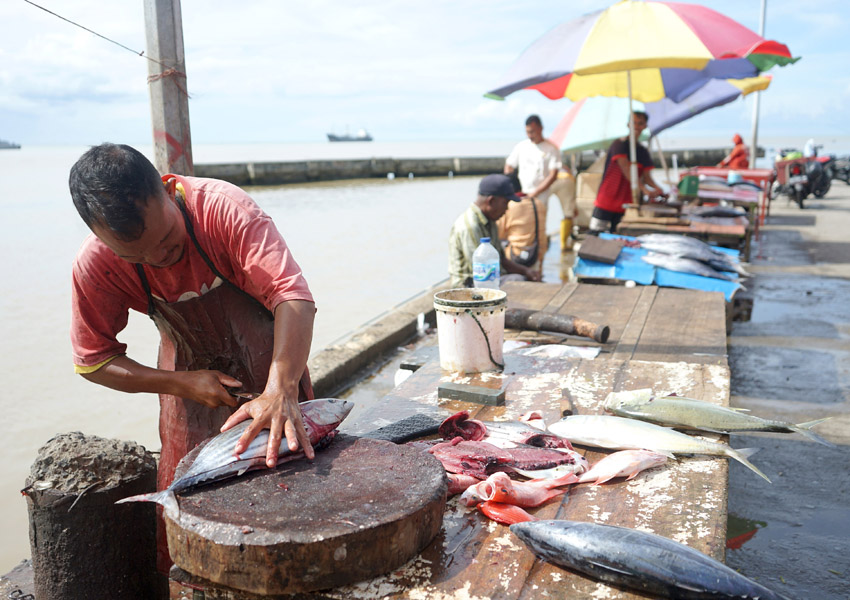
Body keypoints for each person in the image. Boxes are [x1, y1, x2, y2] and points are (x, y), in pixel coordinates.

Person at [68, 143, 316, 570]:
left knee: (295, 513)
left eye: (165, 239)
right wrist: (181, 383)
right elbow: (94, 359)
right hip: (187, 392)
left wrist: (280, 389)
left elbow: (292, 297)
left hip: (276, 375)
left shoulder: (225, 211)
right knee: (186, 517)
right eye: (135, 256)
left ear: (166, 189)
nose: (157, 258)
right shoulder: (96, 265)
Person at [448, 174, 542, 287]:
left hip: (491, 277)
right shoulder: (470, 226)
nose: (507, 209)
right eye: (505, 203)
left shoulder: (490, 220)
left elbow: (502, 260)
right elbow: (481, 270)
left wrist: (527, 271)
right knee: (520, 282)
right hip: (470, 285)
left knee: (526, 279)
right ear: (491, 201)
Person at [590, 111, 666, 234]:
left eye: (640, 123)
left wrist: (658, 189)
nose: (636, 126)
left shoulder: (642, 151)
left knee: (618, 234)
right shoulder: (619, 144)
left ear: (645, 126)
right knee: (595, 232)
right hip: (607, 199)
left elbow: (647, 177)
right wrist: (645, 190)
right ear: (628, 124)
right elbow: (627, 170)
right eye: (634, 123)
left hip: (626, 204)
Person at [504, 115, 568, 254]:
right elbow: (509, 165)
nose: (530, 135)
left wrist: (536, 192)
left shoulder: (551, 149)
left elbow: (553, 175)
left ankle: (538, 257)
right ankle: (519, 256)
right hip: (521, 196)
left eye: (532, 131)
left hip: (540, 196)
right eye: (528, 132)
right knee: (519, 227)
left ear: (540, 129)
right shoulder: (522, 146)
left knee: (538, 229)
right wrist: (513, 186)